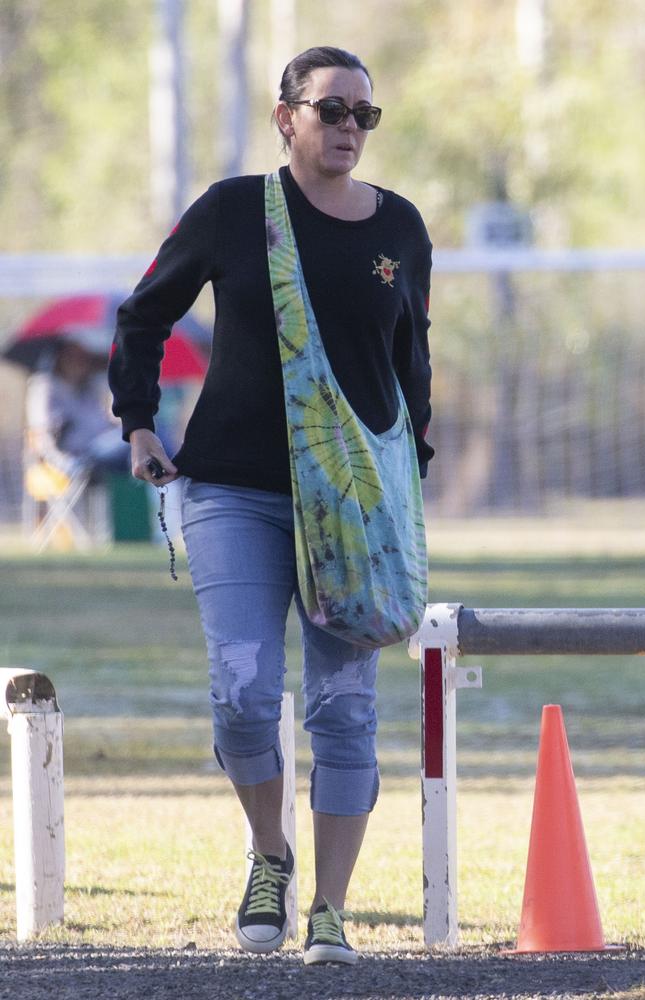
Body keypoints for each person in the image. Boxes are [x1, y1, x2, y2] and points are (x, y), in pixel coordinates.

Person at [109, 45, 434, 964]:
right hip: (232, 488)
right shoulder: (229, 212)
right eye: (331, 110)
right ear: (285, 115)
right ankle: (270, 855)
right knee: (245, 690)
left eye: (363, 116)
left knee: (343, 710)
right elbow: (144, 315)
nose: (347, 130)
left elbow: (412, 368)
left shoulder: (401, 230)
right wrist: (138, 424)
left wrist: (413, 479)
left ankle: (330, 907)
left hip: (357, 508)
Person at [27, 337, 130, 481]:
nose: (80, 361)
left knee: (143, 436)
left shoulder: (92, 385)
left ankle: (164, 490)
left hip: (103, 449)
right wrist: (65, 464)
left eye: (84, 356)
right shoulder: (46, 387)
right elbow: (42, 437)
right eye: (73, 356)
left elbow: (109, 420)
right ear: (59, 357)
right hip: (78, 457)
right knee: (137, 440)